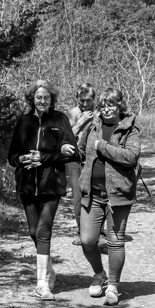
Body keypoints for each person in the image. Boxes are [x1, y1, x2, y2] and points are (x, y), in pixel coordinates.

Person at [7, 79, 79, 299]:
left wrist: (45, 158)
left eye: (46, 97)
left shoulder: (60, 119)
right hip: (27, 184)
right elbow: (11, 156)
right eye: (38, 97)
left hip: (52, 184)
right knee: (32, 232)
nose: (42, 100)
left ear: (52, 99)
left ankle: (42, 284)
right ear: (32, 99)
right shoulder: (22, 121)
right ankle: (48, 269)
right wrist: (22, 159)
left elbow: (74, 153)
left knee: (43, 230)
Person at [77, 85, 141, 305]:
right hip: (92, 193)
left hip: (118, 195)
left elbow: (131, 157)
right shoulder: (92, 127)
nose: (107, 109)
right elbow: (82, 149)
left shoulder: (129, 129)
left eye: (111, 105)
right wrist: (70, 149)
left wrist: (103, 146)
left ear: (119, 105)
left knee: (115, 240)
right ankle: (99, 274)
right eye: (103, 105)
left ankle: (113, 286)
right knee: (87, 240)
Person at [65, 82, 96, 242]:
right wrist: (80, 123)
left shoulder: (100, 113)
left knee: (97, 195)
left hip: (95, 159)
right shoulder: (73, 114)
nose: (84, 104)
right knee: (78, 195)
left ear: (94, 99)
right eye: (81, 100)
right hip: (75, 160)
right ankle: (81, 231)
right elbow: (64, 137)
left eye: (88, 100)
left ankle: (98, 231)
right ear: (77, 98)